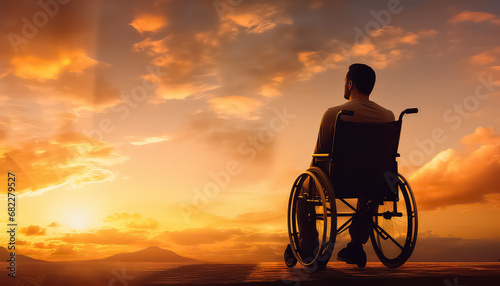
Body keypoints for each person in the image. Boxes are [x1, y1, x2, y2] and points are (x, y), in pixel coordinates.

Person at [299, 63, 395, 266]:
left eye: (344, 81)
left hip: (337, 180)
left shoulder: (334, 114)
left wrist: (310, 180)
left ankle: (309, 249)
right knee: (371, 186)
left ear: (350, 84)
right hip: (376, 181)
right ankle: (356, 246)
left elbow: (318, 157)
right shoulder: (388, 116)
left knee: (302, 190)